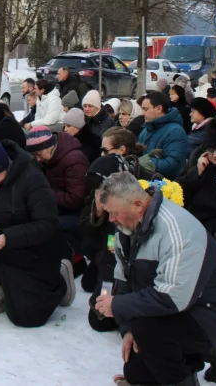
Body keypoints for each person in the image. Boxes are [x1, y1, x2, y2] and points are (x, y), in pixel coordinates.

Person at [94, 171, 216, 386]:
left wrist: (118, 306)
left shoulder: (177, 229)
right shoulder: (127, 226)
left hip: (210, 310)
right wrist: (128, 328)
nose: (111, 219)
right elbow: (124, 280)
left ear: (137, 204)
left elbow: (173, 298)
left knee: (149, 333)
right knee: (137, 373)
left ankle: (206, 356)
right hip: (175, 310)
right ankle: (192, 356)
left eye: (114, 213)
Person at [0, 138, 74, 326]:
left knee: (25, 317)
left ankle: (58, 281)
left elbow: (47, 224)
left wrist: (9, 237)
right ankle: (1, 289)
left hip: (28, 251)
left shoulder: (32, 179)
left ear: (5, 167)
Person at [80, 128, 141, 319]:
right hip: (106, 244)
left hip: (135, 253)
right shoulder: (101, 177)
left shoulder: (144, 179)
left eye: (106, 150)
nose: (101, 155)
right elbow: (83, 226)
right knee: (97, 307)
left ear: (121, 150)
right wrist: (97, 211)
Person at [26, 126, 88, 260]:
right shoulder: (48, 159)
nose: (38, 159)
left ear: (50, 146)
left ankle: (74, 258)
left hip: (78, 214)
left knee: (47, 227)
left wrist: (46, 193)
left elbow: (76, 199)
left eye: (39, 154)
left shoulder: (74, 160)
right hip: (59, 208)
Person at [137, 92, 189, 179]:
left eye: (145, 109)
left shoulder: (175, 131)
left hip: (165, 187)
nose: (142, 113)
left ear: (159, 109)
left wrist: (144, 162)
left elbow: (173, 164)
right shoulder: (146, 129)